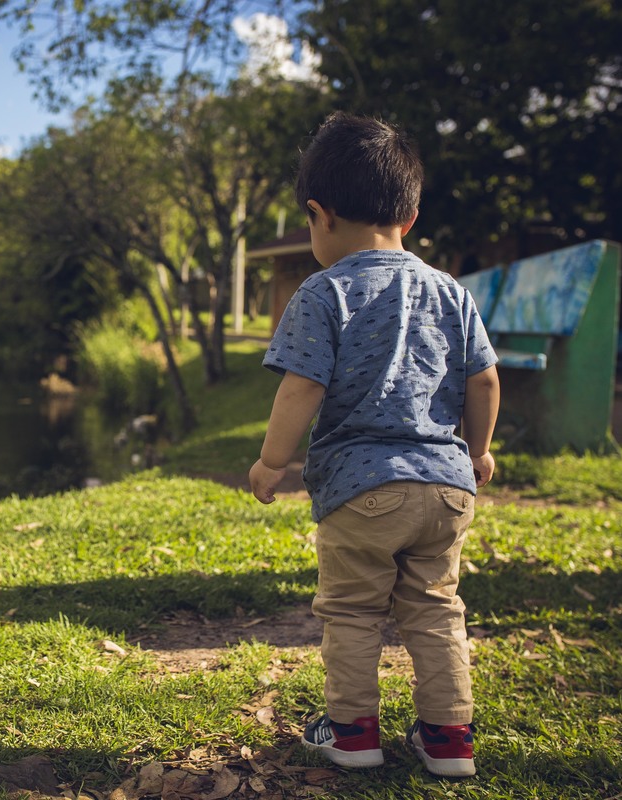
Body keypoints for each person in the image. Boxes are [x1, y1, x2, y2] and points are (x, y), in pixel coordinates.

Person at [248, 112, 500, 779]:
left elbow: (300, 391)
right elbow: (484, 378)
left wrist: (273, 463)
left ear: (318, 215)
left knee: (354, 613)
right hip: (446, 487)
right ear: (409, 216)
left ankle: (354, 732)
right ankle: (449, 741)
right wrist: (479, 449)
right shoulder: (451, 291)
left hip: (360, 491)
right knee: (436, 610)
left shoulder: (324, 292)